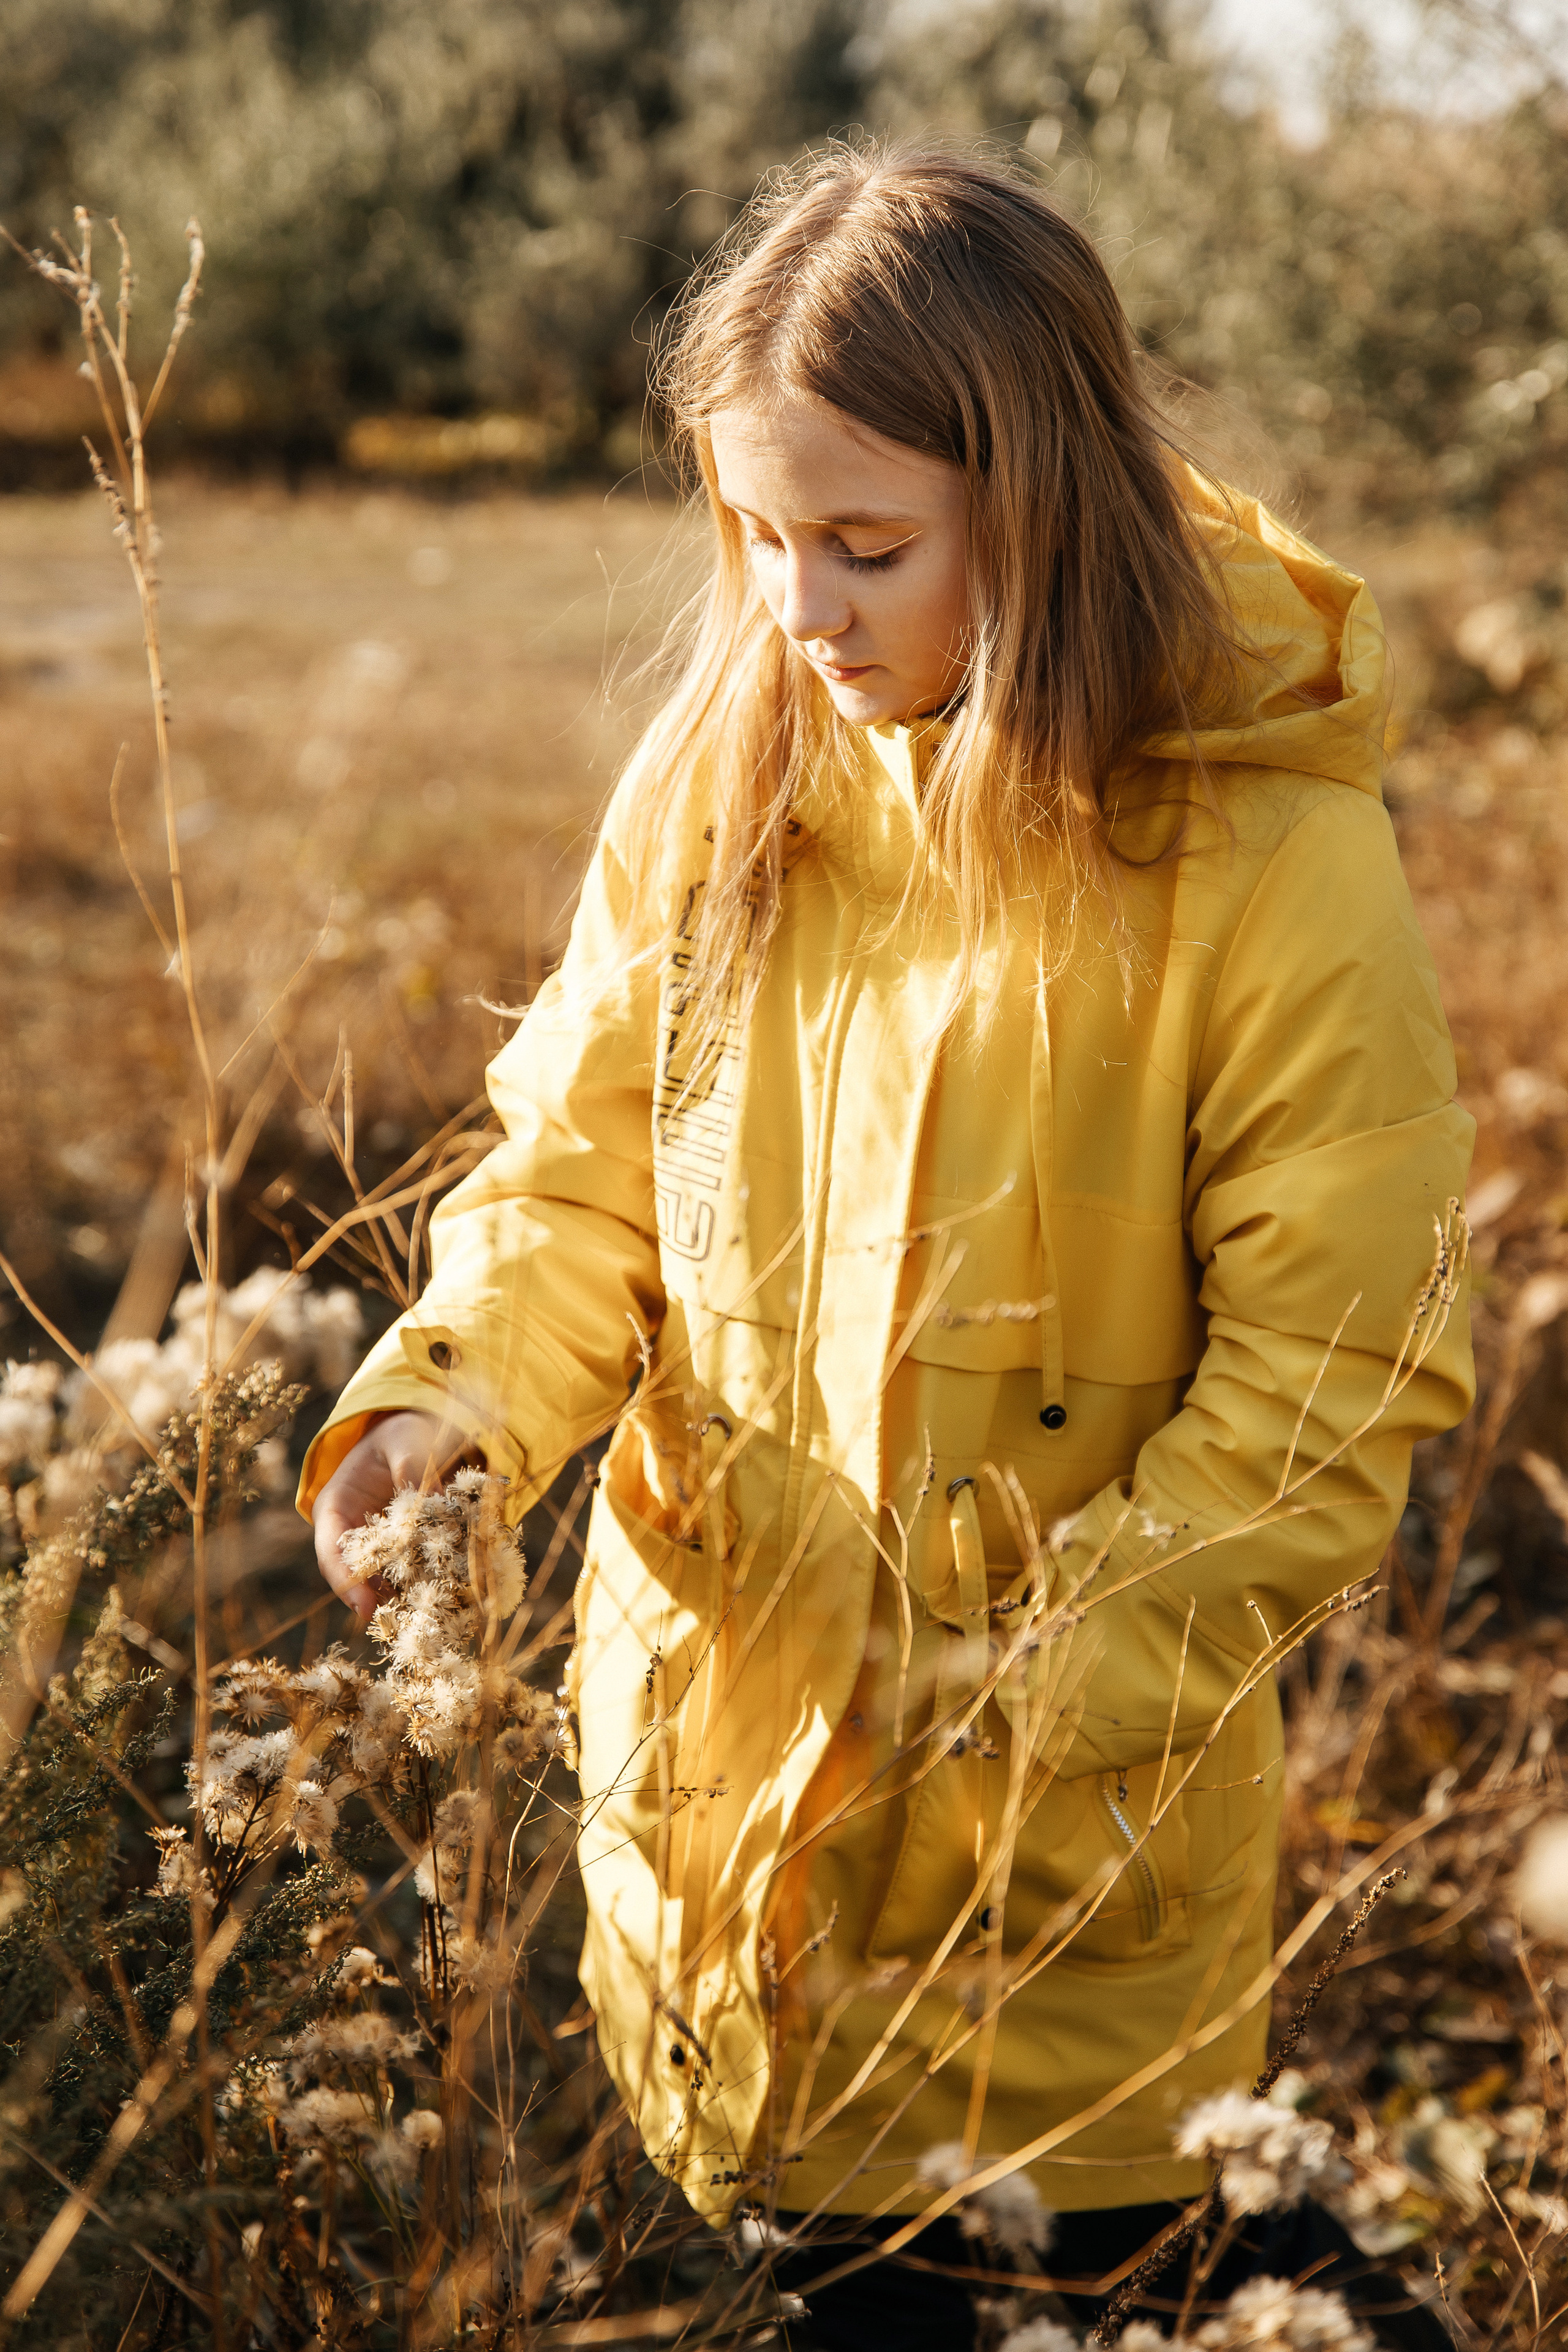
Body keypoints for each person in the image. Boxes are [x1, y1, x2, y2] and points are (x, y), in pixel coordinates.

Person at [302, 145, 1473, 2347]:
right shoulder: (720, 774)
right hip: (706, 1881)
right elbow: (575, 1178)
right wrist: (452, 1401)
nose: (799, 609)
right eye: (757, 537)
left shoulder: (1275, 857)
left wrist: (1027, 1710)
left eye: (866, 545)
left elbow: (1341, 1385)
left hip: (1053, 1935)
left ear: (1041, 509)